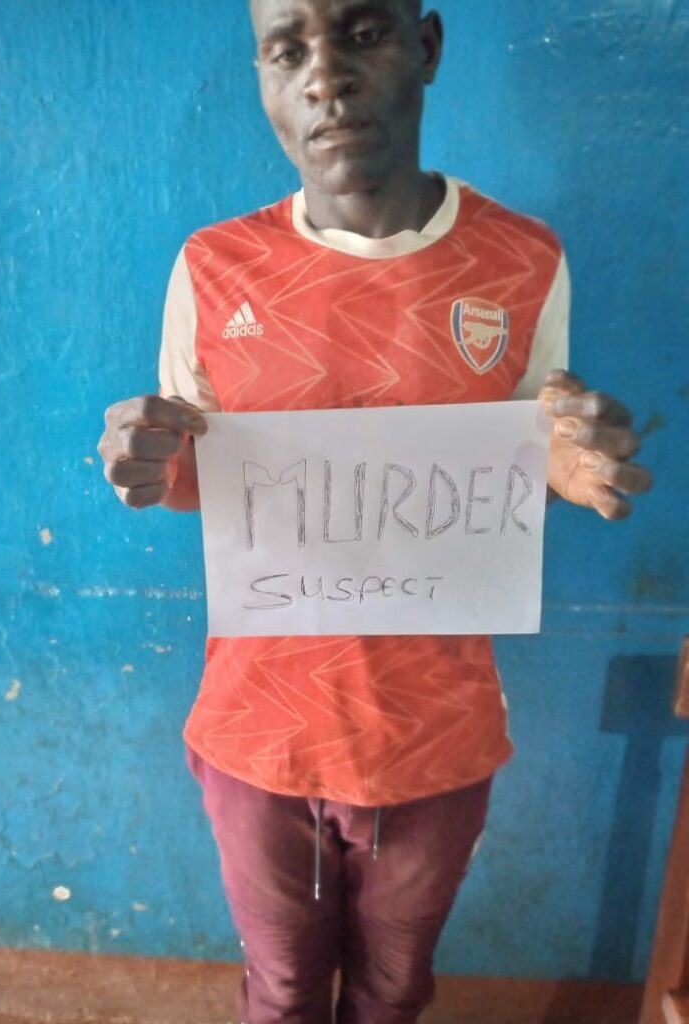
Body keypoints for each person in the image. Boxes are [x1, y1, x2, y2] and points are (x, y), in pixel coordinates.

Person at [97, 2, 652, 1021]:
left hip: (434, 738)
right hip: (258, 736)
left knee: (394, 988)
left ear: (426, 46)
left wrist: (576, 469)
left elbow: (522, 466)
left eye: (362, 34)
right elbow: (194, 477)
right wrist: (145, 466)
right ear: (264, 76)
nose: (324, 77)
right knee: (283, 989)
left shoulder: (521, 260)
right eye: (287, 49)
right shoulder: (215, 269)